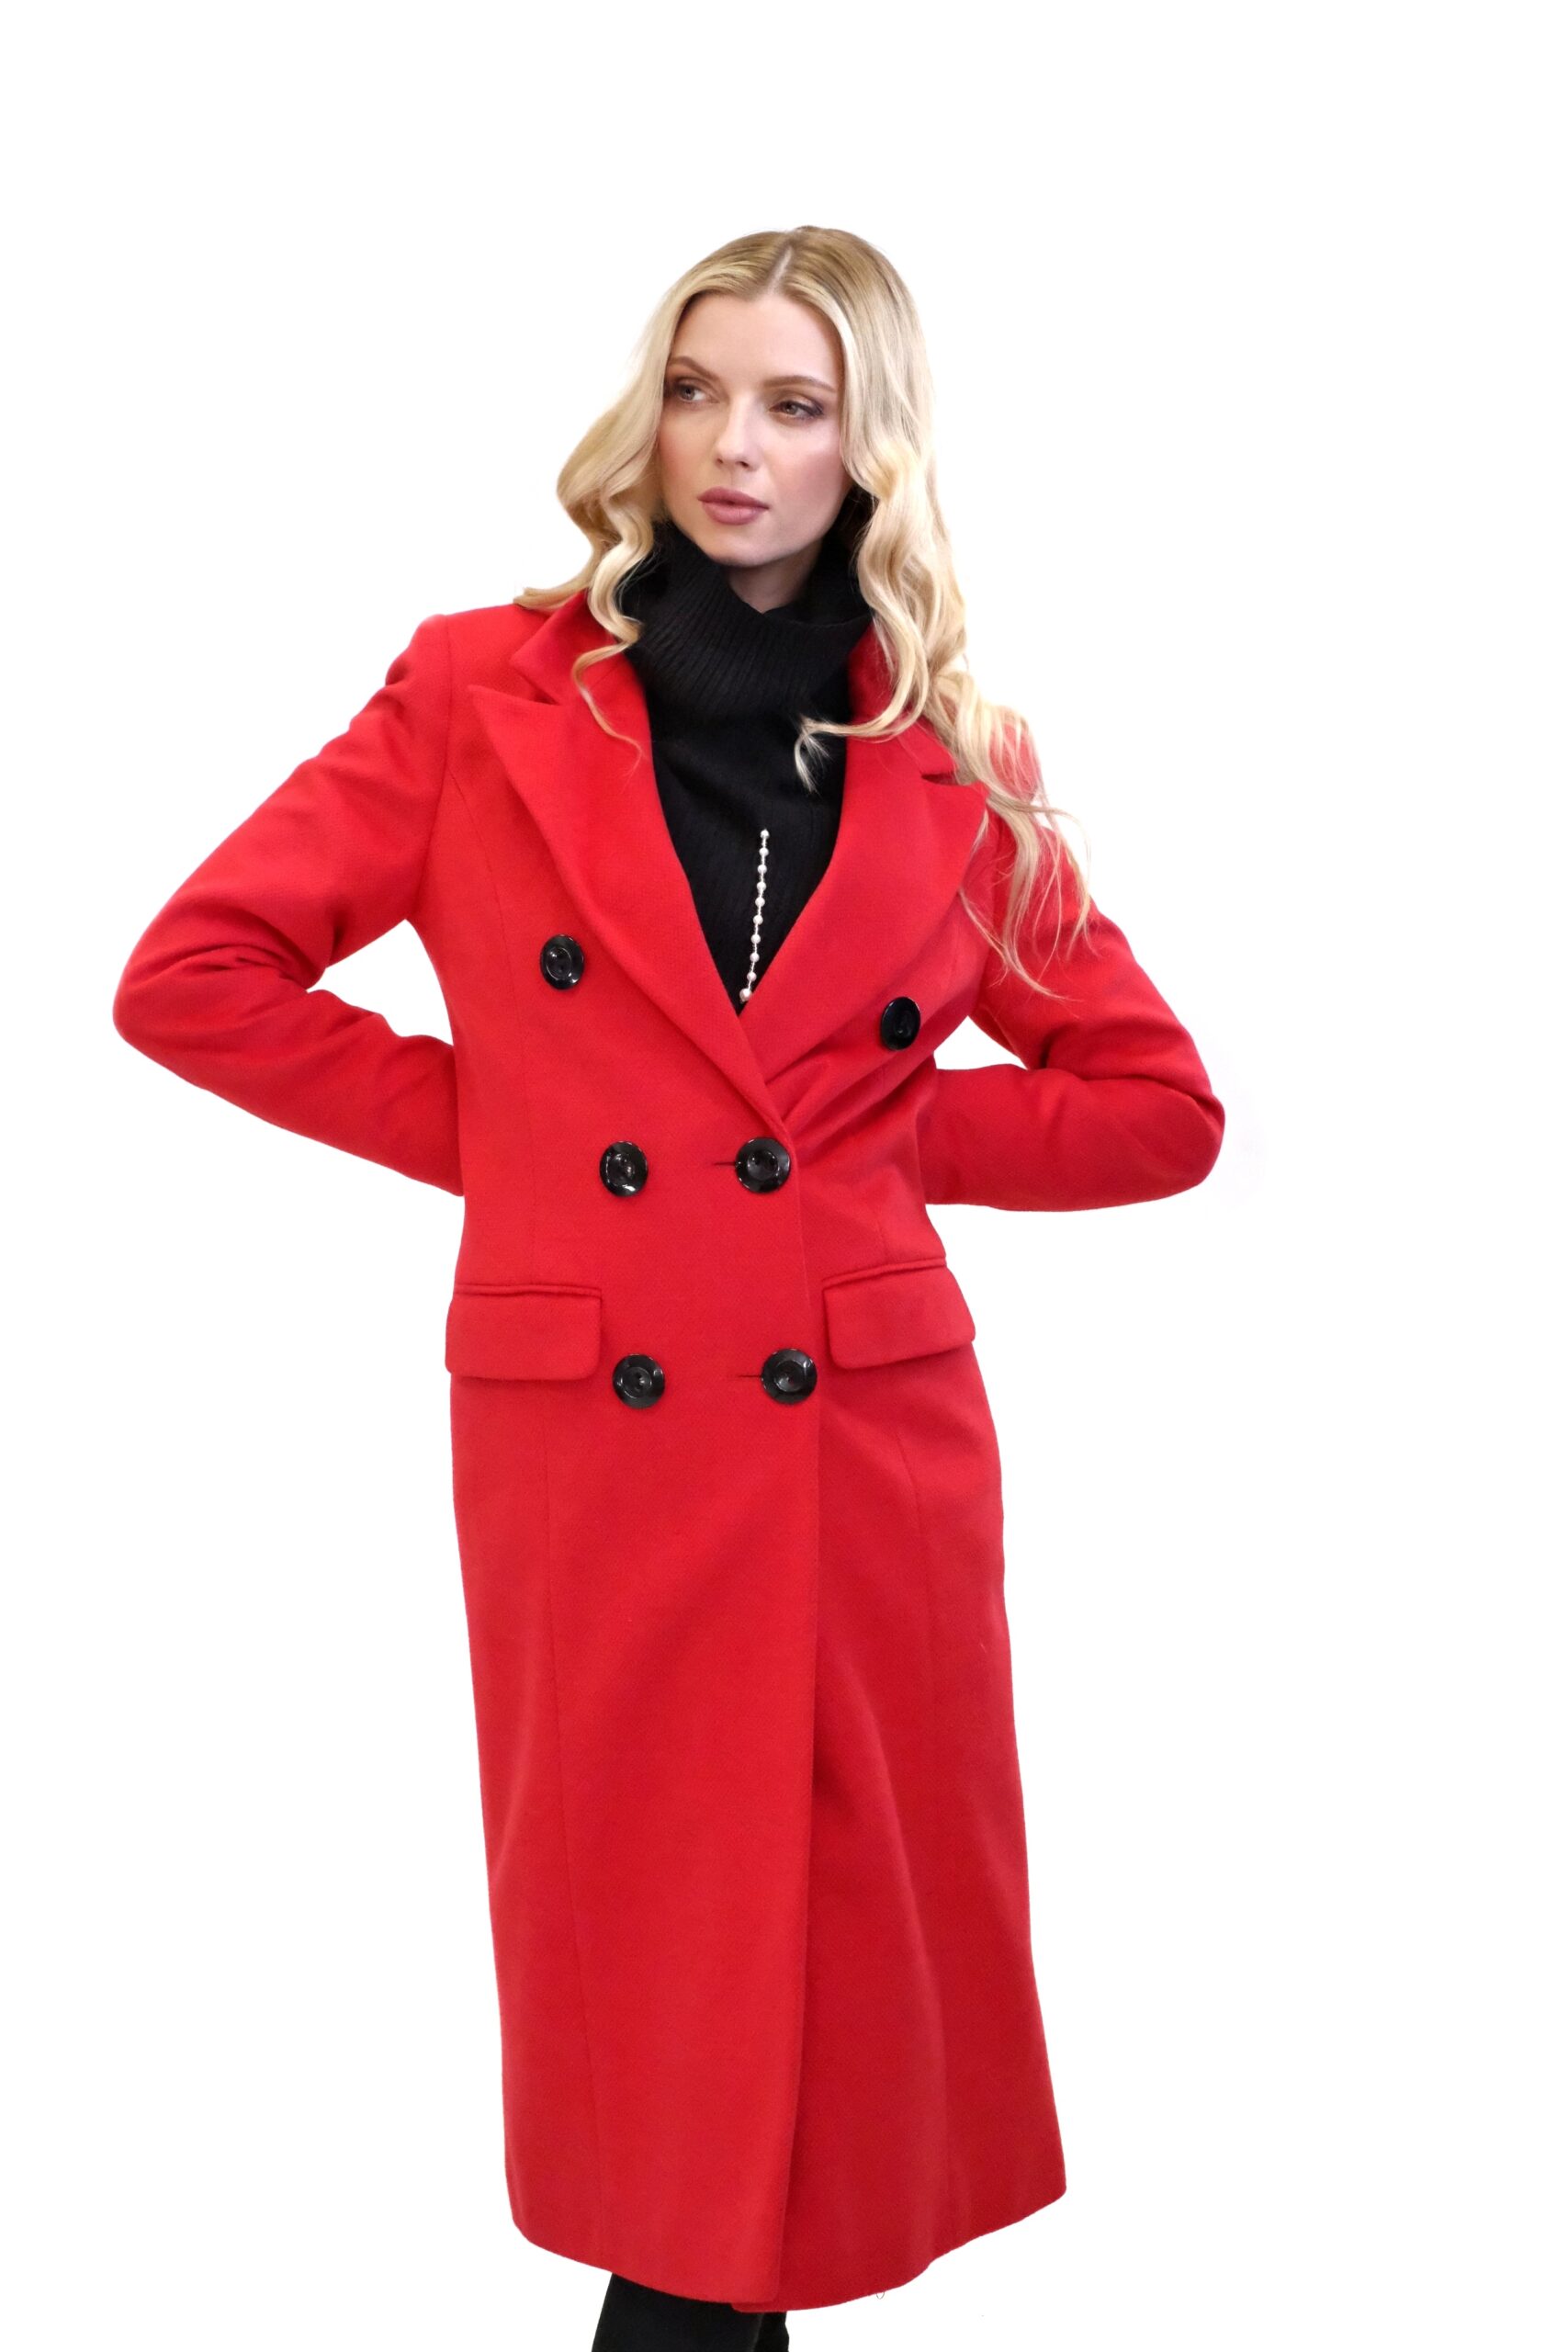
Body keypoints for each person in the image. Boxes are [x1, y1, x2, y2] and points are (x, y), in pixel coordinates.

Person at [112, 225, 1225, 2350]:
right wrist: (521, 1135)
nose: (731, 444)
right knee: (654, 1951)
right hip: (598, 1419)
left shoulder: (949, 748)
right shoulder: (480, 686)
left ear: (868, 447)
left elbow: (1153, 1107)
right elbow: (193, 977)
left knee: (831, 1955)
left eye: (792, 404)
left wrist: (870, 1151)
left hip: (859, 1439)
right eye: (697, 390)